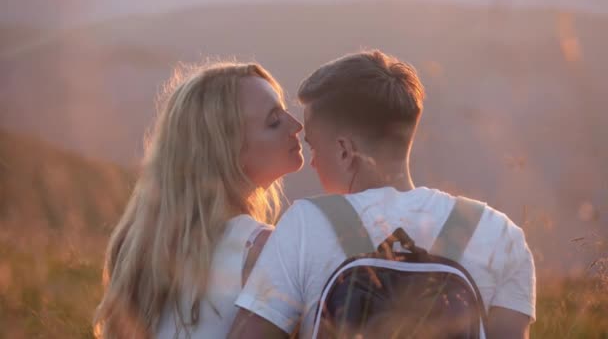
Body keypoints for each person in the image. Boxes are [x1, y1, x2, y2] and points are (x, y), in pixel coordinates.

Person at [229, 50, 536, 338]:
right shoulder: (501, 235)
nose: (312, 162)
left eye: (313, 147)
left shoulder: (306, 223)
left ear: (344, 150)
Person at [93, 61, 304, 338]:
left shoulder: (145, 250)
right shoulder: (262, 251)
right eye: (274, 121)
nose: (297, 125)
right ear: (226, 152)